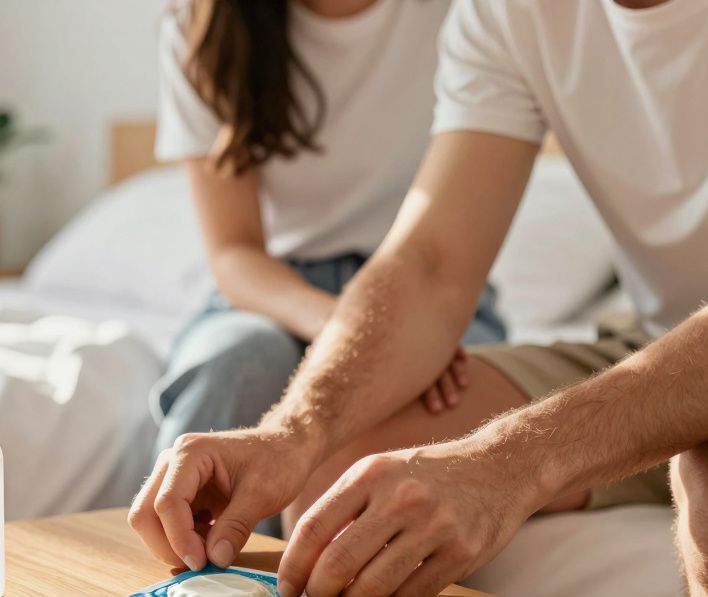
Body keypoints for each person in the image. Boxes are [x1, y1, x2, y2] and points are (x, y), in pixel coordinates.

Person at [130, 0, 708, 597]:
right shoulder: (507, 10)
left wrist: (511, 460)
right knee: (346, 473)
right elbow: (430, 265)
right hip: (655, 338)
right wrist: (292, 434)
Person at [150, 0, 506, 460]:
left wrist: (388, 328)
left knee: (442, 405)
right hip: (277, 295)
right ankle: (180, 507)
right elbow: (234, 251)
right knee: (235, 362)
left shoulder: (466, 12)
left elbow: (445, 256)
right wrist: (344, 326)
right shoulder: (202, 27)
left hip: (425, 287)